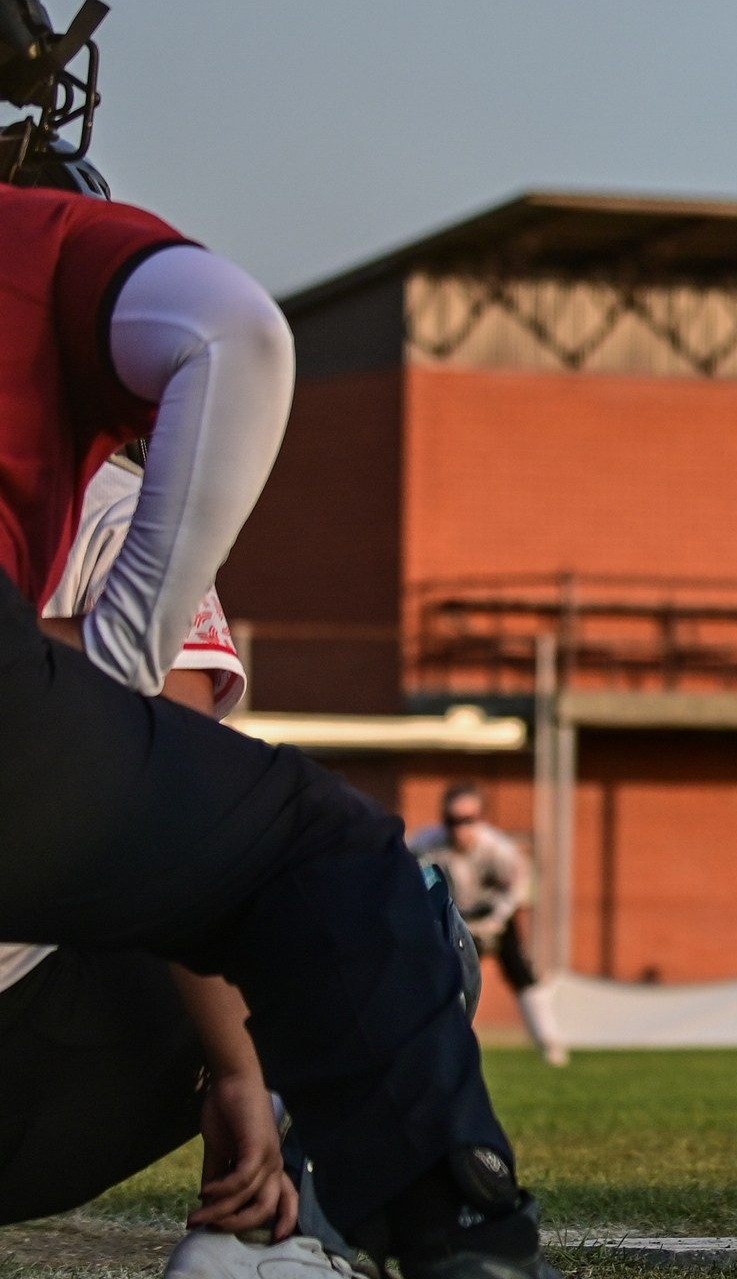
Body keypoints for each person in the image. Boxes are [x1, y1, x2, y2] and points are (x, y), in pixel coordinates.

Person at [0, 176, 560, 1279]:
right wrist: (239, 1072)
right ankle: (285, 1232)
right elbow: (182, 811)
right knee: (366, 893)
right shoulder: (115, 482)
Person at [0, 452, 278, 1248]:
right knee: (399, 915)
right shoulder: (120, 508)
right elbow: (172, 765)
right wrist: (238, 1066)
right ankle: (268, 1246)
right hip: (23, 1052)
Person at [413, 784, 568, 1067]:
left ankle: (550, 1043)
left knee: (520, 971)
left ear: (480, 819)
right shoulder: (426, 843)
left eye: (468, 820)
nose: (460, 828)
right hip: (453, 917)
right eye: (453, 821)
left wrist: (496, 920)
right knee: (442, 977)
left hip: (493, 917)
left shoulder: (497, 848)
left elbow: (520, 885)